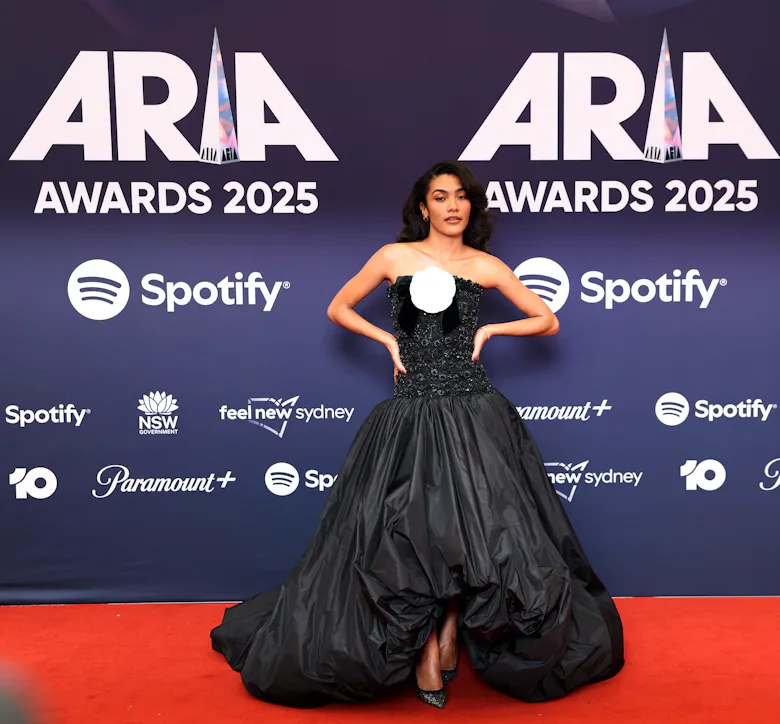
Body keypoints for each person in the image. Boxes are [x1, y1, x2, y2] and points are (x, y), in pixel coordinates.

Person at [210, 160, 624, 709]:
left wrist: (494, 327)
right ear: (423, 207)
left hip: (474, 413)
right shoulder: (393, 257)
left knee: (468, 535)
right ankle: (429, 647)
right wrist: (385, 340)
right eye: (440, 197)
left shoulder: (485, 265)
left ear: (470, 207)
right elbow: (338, 307)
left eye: (461, 197)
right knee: (412, 534)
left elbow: (546, 320)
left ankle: (449, 635)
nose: (452, 206)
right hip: (410, 413)